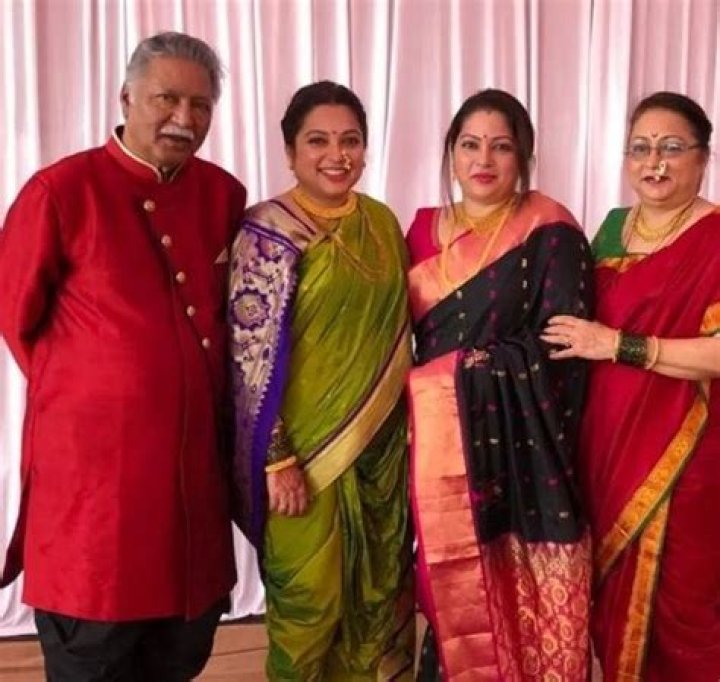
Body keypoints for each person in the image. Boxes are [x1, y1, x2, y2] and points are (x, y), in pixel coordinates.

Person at [0, 32, 245, 680]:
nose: (184, 117)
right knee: (93, 655)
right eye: (167, 99)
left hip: (191, 490)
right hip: (95, 497)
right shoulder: (61, 191)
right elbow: (16, 318)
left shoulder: (222, 195)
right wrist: (103, 389)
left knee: (180, 652)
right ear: (126, 98)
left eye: (200, 105)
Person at [229, 80, 414, 681]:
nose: (337, 155)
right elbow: (246, 354)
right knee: (308, 599)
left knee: (373, 593)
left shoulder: (381, 223)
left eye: (350, 140)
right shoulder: (267, 232)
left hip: (381, 448)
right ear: (290, 152)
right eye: (318, 141)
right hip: (302, 456)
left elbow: (400, 333)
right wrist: (276, 457)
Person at [406, 89, 593, 680]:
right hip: (438, 448)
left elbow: (565, 345)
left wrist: (458, 376)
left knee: (517, 598)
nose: (483, 159)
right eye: (470, 145)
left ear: (523, 157)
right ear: (451, 154)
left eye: (501, 146)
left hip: (523, 453)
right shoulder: (420, 231)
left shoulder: (550, 230)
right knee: (449, 595)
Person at [542, 91, 720, 681]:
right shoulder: (613, 229)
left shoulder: (716, 237)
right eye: (640, 149)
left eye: (672, 148)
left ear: (703, 156)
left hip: (685, 458)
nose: (655, 163)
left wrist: (620, 345)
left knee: (684, 610)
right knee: (610, 604)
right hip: (603, 448)